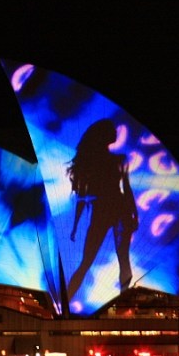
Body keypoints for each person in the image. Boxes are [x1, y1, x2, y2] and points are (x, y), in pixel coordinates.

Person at [65, 119, 138, 303]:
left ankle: (123, 302)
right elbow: (83, 196)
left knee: (121, 259)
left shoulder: (118, 160)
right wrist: (74, 226)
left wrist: (134, 213)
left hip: (114, 211)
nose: (115, 132)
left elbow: (126, 189)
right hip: (108, 211)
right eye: (112, 130)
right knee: (88, 261)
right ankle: (65, 303)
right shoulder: (98, 163)